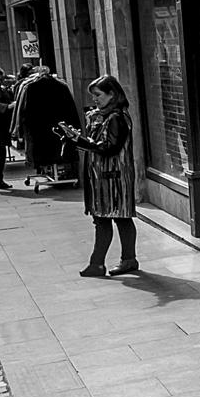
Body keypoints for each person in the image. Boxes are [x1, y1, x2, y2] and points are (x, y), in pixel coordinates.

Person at [57, 75, 137, 278]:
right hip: (105, 177)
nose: (94, 99)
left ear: (112, 94)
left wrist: (80, 141)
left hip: (113, 178)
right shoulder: (105, 116)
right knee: (113, 219)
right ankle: (116, 261)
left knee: (114, 219)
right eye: (93, 95)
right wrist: (78, 138)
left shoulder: (117, 117)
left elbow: (109, 148)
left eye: (98, 95)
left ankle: (104, 263)